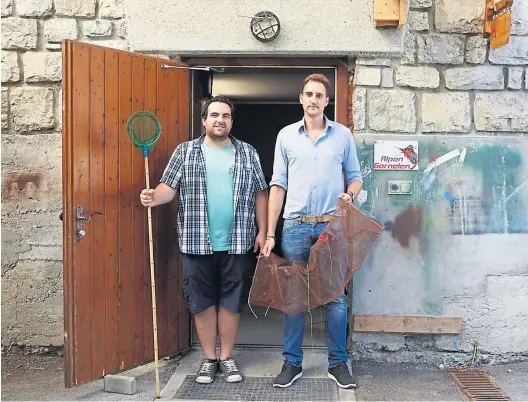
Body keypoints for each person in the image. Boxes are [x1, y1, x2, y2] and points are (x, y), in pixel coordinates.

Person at [140, 95, 269, 384]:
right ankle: (210, 359)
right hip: (196, 242)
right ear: (204, 120)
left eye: (225, 115)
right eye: (214, 115)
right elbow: (167, 188)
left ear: (232, 121)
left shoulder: (248, 152)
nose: (220, 119)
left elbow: (261, 192)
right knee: (202, 303)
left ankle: (227, 358)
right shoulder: (185, 152)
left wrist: (262, 231)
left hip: (237, 242)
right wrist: (152, 197)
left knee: (232, 303)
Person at [261, 74, 362, 389]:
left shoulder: (342, 135)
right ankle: (292, 363)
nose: (314, 99)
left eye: (320, 95)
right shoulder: (286, 136)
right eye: (309, 94)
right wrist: (270, 234)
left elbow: (356, 177)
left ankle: (338, 363)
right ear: (301, 99)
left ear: (327, 101)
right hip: (294, 226)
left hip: (332, 226)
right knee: (294, 297)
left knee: (335, 298)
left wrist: (350, 194)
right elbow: (278, 185)